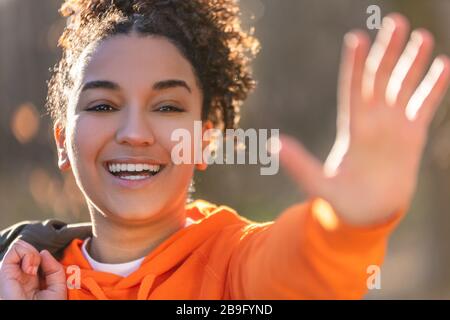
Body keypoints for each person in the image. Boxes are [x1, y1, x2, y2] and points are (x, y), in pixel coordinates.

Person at [0, 0, 448, 300]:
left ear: (205, 141)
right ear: (64, 142)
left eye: (168, 106)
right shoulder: (21, 274)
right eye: (103, 104)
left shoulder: (235, 265)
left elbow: (300, 269)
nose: (135, 133)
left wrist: (347, 229)